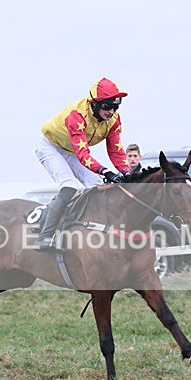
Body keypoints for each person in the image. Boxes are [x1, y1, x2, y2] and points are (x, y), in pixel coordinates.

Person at [34, 77, 132, 251]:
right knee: (70, 186)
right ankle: (45, 236)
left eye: (115, 107)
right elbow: (83, 155)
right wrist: (106, 171)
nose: (111, 111)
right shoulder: (77, 116)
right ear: (95, 103)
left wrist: (126, 172)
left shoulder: (114, 120)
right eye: (107, 106)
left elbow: (116, 151)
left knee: (96, 185)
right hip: (50, 147)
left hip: (71, 151)